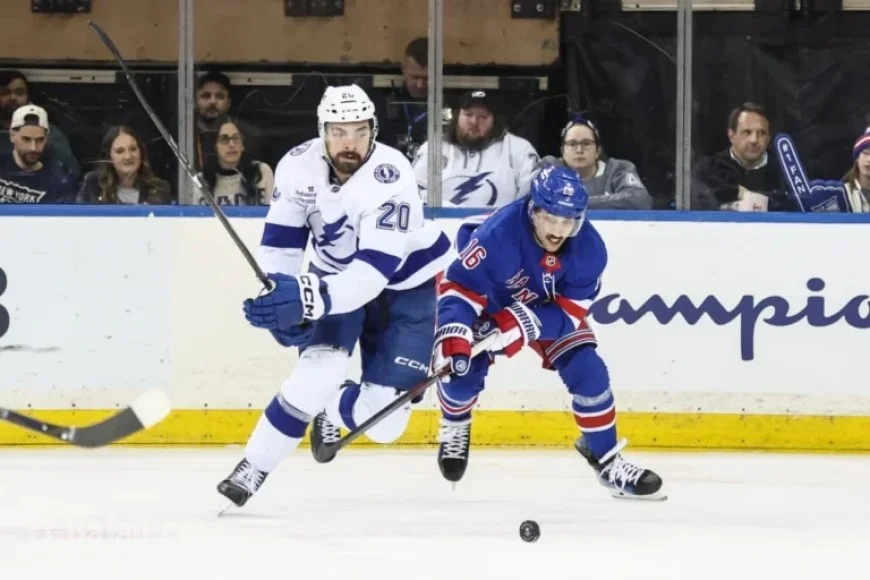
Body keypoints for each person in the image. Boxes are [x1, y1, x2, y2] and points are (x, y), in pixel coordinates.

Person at [216, 84, 453, 507]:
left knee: (384, 426)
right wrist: (279, 296)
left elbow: (370, 275)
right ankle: (253, 467)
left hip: (405, 287)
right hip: (332, 279)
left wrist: (304, 299)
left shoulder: (390, 173)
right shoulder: (297, 166)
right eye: (339, 131)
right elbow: (282, 245)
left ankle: (333, 407)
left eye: (360, 131)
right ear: (322, 131)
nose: (350, 143)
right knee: (314, 374)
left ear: (373, 130)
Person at [431, 165, 666, 500]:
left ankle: (607, 459)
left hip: (545, 307)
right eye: (551, 219)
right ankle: (455, 421)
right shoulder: (498, 235)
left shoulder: (590, 251)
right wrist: (455, 335)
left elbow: (571, 312)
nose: (558, 231)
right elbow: (458, 287)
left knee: (589, 371)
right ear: (533, 210)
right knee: (460, 371)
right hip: (488, 299)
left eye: (568, 221)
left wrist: (520, 324)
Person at [413, 90, 539, 208]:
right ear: (457, 116)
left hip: (499, 229)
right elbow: (412, 191)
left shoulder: (519, 149)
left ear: (494, 121)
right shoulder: (434, 148)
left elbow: (532, 197)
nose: (474, 121)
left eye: (483, 116)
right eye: (468, 114)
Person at [536, 116, 652, 210]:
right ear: (562, 151)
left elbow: (639, 199)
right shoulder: (549, 168)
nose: (579, 150)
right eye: (572, 144)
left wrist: (577, 202)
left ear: (598, 151)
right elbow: (531, 200)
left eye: (586, 143)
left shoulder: (618, 169)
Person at [77, 125, 171, 204]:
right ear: (109, 157)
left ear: (141, 152)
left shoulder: (160, 189)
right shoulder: (93, 185)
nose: (128, 156)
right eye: (120, 151)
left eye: (133, 149)